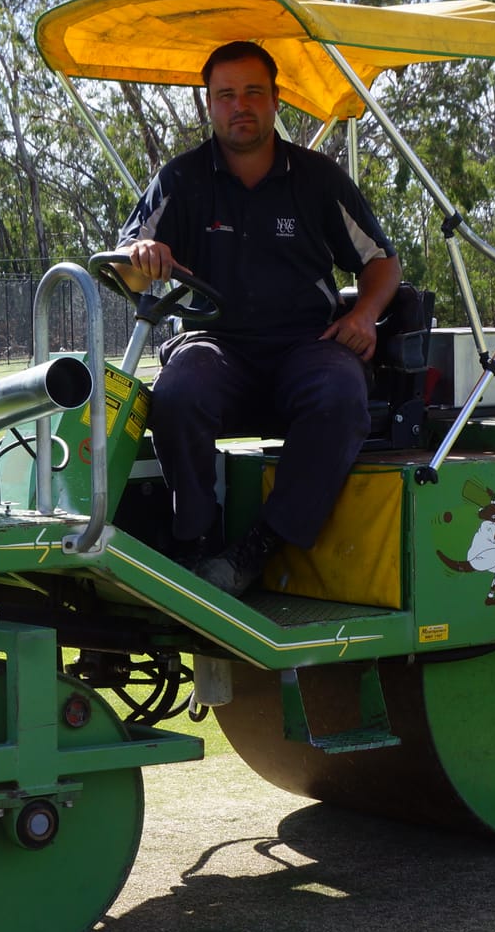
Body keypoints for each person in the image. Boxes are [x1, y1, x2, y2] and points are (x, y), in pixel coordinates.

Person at [117, 41, 402, 595]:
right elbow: (130, 254)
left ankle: (256, 551)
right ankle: (196, 544)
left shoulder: (319, 179)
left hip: (306, 346)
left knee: (342, 394)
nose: (239, 105)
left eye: (253, 92)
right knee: (176, 392)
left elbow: (383, 262)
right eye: (226, 94)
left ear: (275, 100)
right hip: (213, 345)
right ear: (209, 105)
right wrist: (142, 258)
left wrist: (365, 315)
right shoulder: (180, 180)